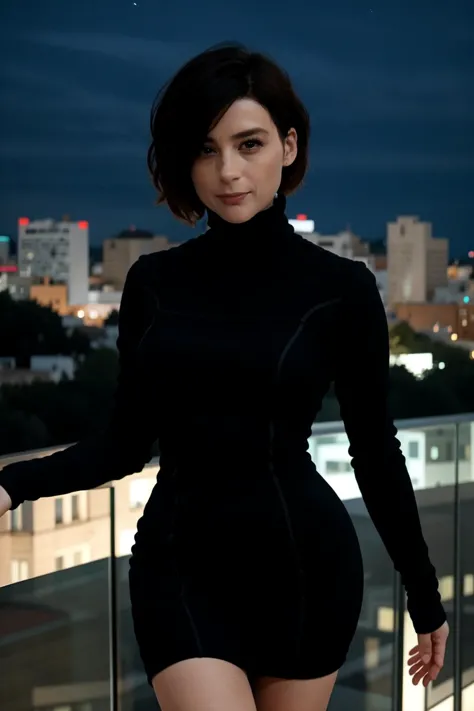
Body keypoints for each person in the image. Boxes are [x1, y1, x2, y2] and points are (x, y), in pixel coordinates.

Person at [0, 43, 449, 711]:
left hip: (306, 569)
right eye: (207, 149)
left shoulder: (342, 289)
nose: (228, 171)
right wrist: (12, 484)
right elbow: (126, 442)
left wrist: (423, 592)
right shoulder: (154, 283)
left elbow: (374, 449)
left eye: (249, 143)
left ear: (288, 147)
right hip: (182, 567)